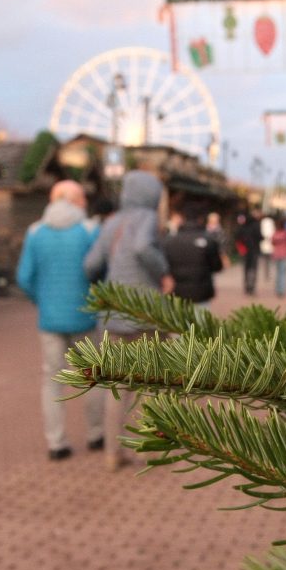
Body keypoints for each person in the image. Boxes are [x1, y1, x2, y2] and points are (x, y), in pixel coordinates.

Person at [84, 170, 173, 470]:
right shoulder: (147, 218)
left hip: (112, 315)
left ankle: (112, 453)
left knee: (116, 387)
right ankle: (146, 450)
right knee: (148, 384)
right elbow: (143, 247)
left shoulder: (112, 223)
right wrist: (162, 271)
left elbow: (90, 264)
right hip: (145, 313)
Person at [16, 179, 105, 462]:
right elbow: (100, 270)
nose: (85, 203)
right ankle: (95, 434)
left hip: (50, 320)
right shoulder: (90, 230)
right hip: (85, 318)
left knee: (52, 380)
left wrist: (41, 300)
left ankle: (56, 443)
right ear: (73, 200)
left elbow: (24, 277)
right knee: (92, 378)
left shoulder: (35, 232)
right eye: (82, 199)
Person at [164, 203, 224, 307]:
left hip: (177, 293)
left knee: (179, 322)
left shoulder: (169, 241)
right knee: (198, 322)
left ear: (182, 218)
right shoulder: (209, 240)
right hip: (201, 294)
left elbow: (164, 266)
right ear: (201, 219)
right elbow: (217, 266)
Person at [234, 211, 263, 296]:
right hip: (254, 251)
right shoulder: (256, 226)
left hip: (245, 251)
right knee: (253, 269)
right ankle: (252, 288)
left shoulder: (243, 227)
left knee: (246, 269)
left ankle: (247, 287)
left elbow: (237, 237)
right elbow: (260, 237)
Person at [270, 216, 286, 298]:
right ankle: (282, 290)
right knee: (283, 273)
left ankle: (278, 289)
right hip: (285, 254)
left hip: (276, 254)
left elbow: (272, 242)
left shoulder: (275, 233)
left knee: (278, 273)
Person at [259, 213, 275, 282]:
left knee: (266, 260)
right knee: (268, 260)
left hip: (265, 244)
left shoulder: (262, 222)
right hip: (269, 244)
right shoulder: (271, 222)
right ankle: (267, 274)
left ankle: (266, 273)